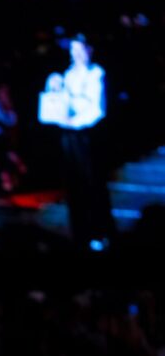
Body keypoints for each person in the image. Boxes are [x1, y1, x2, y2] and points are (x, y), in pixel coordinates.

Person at [38, 35, 115, 248]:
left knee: (93, 184)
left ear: (89, 50)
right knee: (74, 186)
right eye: (73, 51)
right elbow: (61, 102)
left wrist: (74, 119)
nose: (76, 55)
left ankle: (101, 232)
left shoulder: (97, 73)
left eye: (80, 50)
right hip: (69, 135)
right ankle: (80, 232)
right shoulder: (68, 75)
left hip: (87, 135)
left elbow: (97, 109)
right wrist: (54, 85)